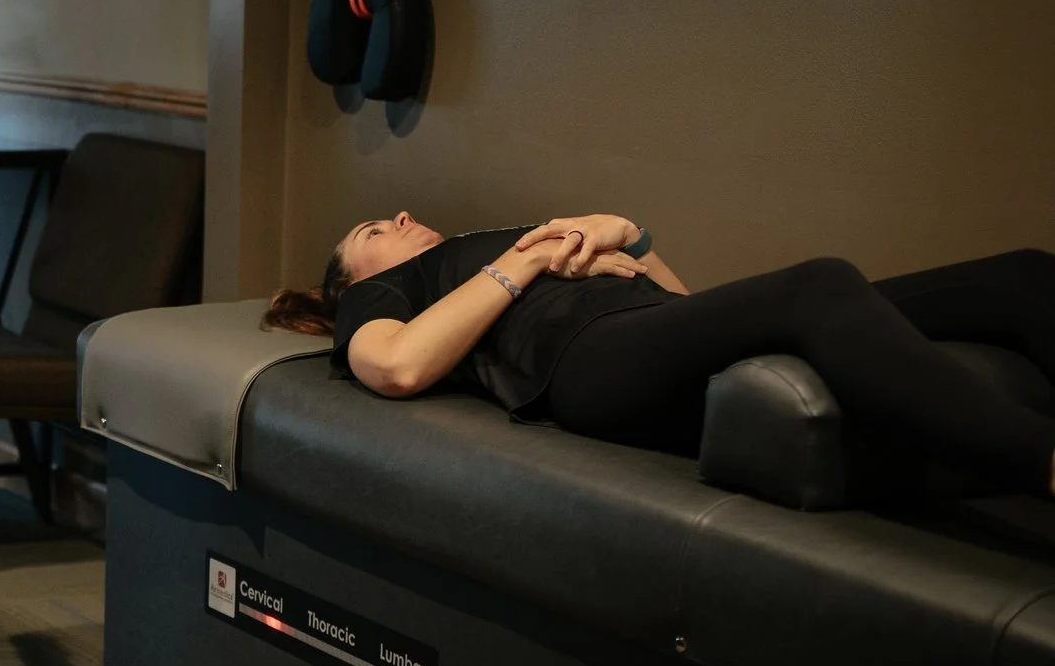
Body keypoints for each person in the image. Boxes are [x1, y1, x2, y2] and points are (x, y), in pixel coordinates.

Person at [262, 211, 1055, 499]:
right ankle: (1039, 461)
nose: (397, 218)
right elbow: (394, 366)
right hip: (585, 365)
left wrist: (625, 235)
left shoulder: (479, 243)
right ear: (355, 278)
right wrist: (528, 262)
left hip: (644, 335)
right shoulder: (386, 290)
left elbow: (678, 307)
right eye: (372, 231)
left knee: (1021, 276)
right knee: (818, 284)